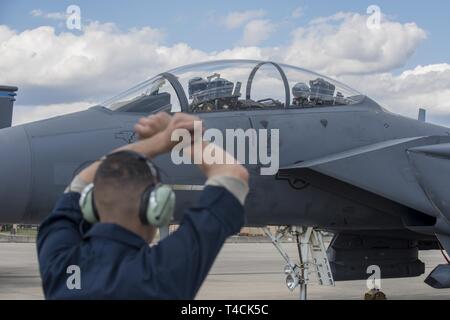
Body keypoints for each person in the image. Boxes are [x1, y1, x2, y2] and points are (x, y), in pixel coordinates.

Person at [36, 112, 249, 299]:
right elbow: (233, 175)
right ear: (157, 207)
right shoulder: (162, 273)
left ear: (91, 203)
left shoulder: (60, 261)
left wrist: (159, 142)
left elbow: (78, 185)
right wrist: (183, 139)